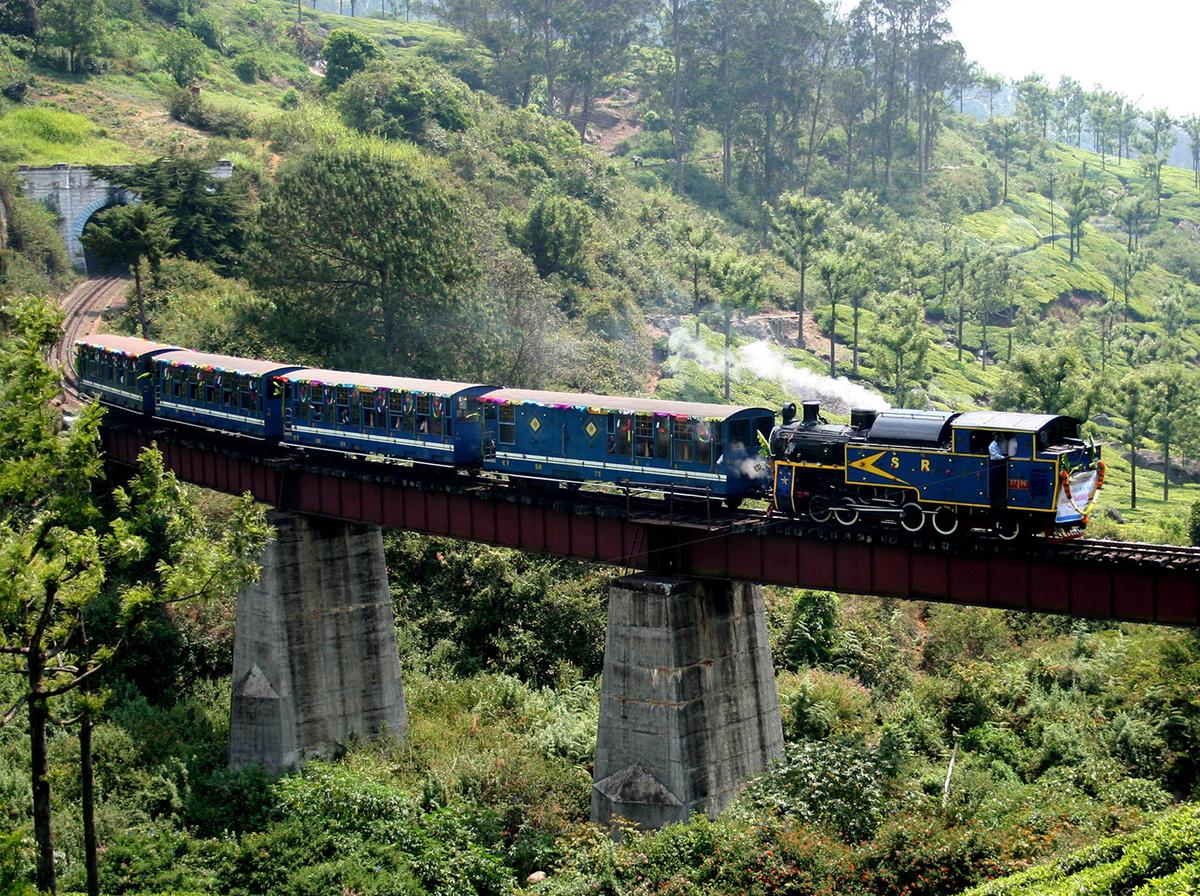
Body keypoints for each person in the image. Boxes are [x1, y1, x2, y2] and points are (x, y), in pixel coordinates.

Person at [988, 433, 1007, 511]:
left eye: (997, 436)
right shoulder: (991, 446)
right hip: (994, 463)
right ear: (994, 437)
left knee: (999, 480)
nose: (997, 437)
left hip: (999, 462)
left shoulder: (997, 444)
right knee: (995, 480)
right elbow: (995, 455)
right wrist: (1004, 457)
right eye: (996, 436)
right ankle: (995, 499)